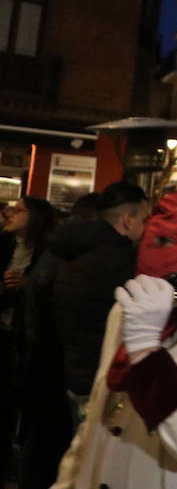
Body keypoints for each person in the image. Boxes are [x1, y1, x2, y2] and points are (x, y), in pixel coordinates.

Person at [53, 189, 177, 489]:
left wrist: (147, 350)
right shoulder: (126, 311)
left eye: (169, 241)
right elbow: (98, 414)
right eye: (151, 238)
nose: (153, 253)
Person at [48, 180, 149, 412]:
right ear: (128, 220)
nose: (148, 228)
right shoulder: (120, 259)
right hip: (100, 376)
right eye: (145, 219)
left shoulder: (77, 248)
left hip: (74, 369)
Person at [0, 197, 57, 477]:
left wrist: (28, 285)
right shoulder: (5, 245)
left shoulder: (48, 251)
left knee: (17, 399)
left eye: (18, 209)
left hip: (26, 340)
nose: (10, 213)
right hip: (4, 333)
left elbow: (50, 296)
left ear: (35, 217)